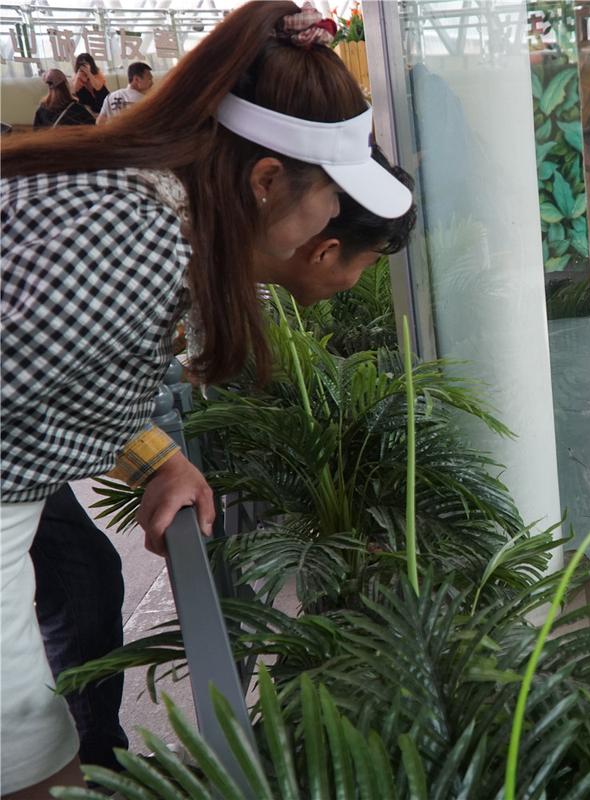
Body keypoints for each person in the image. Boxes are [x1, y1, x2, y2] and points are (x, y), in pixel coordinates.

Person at [0, 2, 413, 795]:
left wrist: (155, 457)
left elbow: (39, 373)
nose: (330, 227)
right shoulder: (136, 244)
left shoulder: (129, 201)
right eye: (331, 201)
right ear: (265, 181)